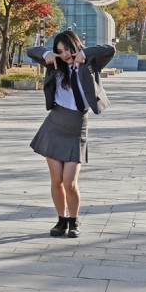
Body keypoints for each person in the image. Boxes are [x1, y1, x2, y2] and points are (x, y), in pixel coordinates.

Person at [27, 30, 114, 239]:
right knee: (56, 180)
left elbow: (110, 50)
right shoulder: (56, 66)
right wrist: (47, 53)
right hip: (55, 124)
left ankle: (74, 220)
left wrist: (85, 53)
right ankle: (61, 220)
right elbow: (31, 51)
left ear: (76, 45)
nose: (65, 54)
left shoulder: (90, 64)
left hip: (77, 127)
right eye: (60, 51)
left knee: (70, 182)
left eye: (68, 49)